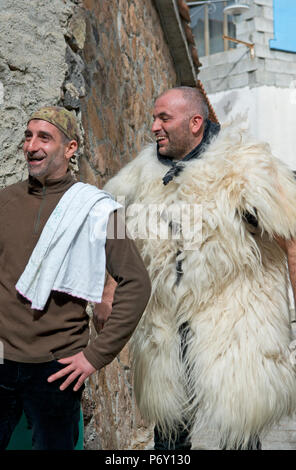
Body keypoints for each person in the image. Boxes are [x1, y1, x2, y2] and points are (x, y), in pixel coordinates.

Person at [101, 86, 296, 450]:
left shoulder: (245, 167)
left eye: (164, 118)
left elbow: (290, 236)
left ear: (195, 122)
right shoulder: (138, 176)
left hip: (234, 322)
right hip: (166, 327)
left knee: (239, 434)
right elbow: (114, 227)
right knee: (169, 438)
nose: (154, 127)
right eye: (153, 118)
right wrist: (109, 289)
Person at [0, 106, 151, 450]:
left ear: (69, 149)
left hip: (57, 368)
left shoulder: (100, 209)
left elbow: (137, 282)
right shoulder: (4, 201)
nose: (31, 145)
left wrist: (96, 355)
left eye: (44, 137)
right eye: (28, 135)